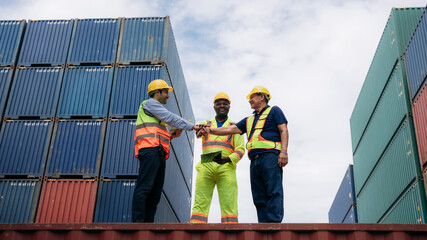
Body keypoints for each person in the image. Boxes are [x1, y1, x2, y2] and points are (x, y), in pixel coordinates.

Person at [199, 86, 288, 223]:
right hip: (255, 161)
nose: (249, 101)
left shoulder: (274, 110)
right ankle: (264, 225)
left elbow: (283, 130)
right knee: (259, 196)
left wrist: (283, 152)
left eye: (252, 97)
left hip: (270, 156)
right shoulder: (249, 120)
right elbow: (229, 129)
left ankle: (274, 224)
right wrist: (209, 130)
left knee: (273, 191)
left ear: (261, 97)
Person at [133, 79, 203, 223]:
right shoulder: (150, 103)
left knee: (155, 193)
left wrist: (171, 134)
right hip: (149, 150)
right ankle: (138, 224)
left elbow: (160, 134)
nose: (168, 96)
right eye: (166, 92)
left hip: (158, 152)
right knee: (145, 188)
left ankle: (148, 225)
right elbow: (170, 117)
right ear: (157, 92)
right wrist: (192, 127)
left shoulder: (157, 116)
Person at [190, 92, 245, 223]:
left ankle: (230, 230)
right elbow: (197, 132)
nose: (222, 106)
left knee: (229, 202)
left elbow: (241, 149)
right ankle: (196, 229)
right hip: (206, 166)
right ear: (214, 106)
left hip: (226, 166)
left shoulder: (235, 126)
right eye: (218, 104)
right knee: (200, 201)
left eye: (225, 104)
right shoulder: (206, 123)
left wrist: (227, 159)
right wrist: (197, 130)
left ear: (229, 107)